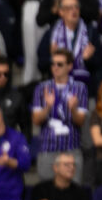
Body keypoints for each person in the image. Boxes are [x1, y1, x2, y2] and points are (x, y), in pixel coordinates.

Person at [31, 48, 90, 179]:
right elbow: (36, 120)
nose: (55, 67)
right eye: (53, 64)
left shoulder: (80, 88)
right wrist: (47, 107)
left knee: (73, 194)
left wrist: (73, 109)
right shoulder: (41, 88)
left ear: (69, 66)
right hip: (48, 149)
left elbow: (80, 122)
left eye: (60, 64)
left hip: (71, 148)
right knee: (46, 193)